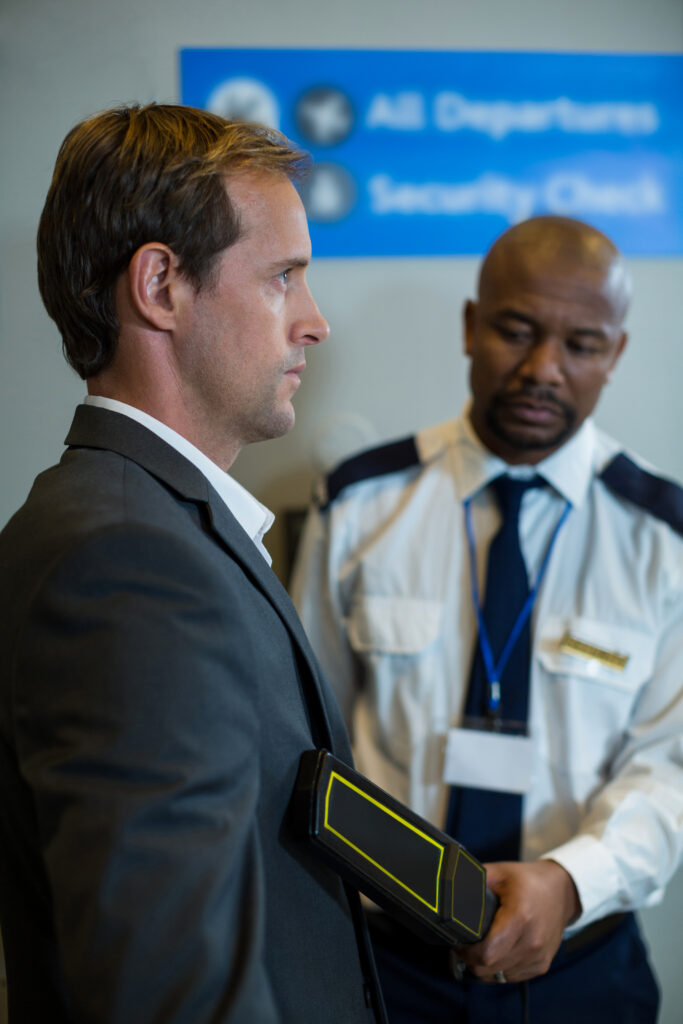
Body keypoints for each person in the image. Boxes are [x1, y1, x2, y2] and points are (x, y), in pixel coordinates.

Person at [0, 103, 387, 1024]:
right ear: (162, 286)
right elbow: (166, 988)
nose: (315, 322)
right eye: (283, 279)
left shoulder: (139, 524)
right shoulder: (127, 563)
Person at [292, 216, 683, 1024]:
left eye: (580, 345)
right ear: (471, 328)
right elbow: (308, 728)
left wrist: (571, 880)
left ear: (614, 354)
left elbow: (669, 767)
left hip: (585, 972)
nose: (543, 369)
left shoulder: (663, 538)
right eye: (516, 330)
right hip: (382, 967)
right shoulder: (361, 503)